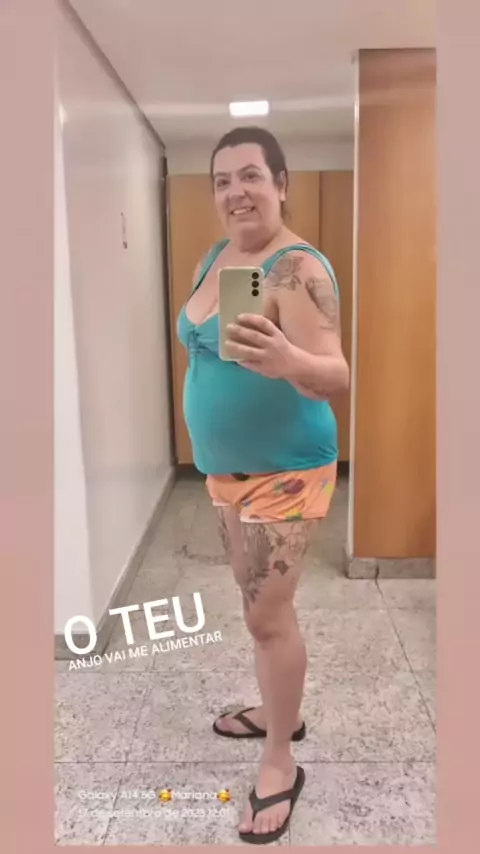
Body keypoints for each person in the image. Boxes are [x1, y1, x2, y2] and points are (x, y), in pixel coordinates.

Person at [177, 126, 349, 844]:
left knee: (266, 619)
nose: (235, 192)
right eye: (222, 180)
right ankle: (283, 711)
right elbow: (222, 351)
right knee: (258, 610)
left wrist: (290, 363)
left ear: (281, 184)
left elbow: (335, 373)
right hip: (226, 474)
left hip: (286, 472)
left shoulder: (297, 268)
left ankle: (280, 757)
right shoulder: (218, 257)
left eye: (251, 175)